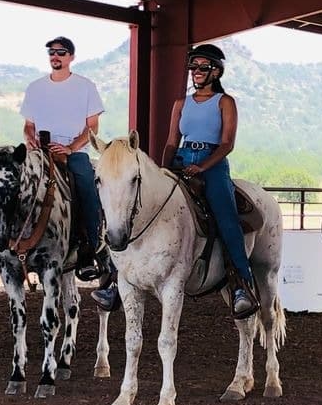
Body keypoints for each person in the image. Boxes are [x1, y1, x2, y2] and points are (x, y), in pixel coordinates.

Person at [91, 44, 258, 318]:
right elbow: (171, 141)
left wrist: (202, 166)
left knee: (227, 218)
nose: (196, 72)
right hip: (180, 160)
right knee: (136, 208)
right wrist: (163, 170)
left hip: (212, 164)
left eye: (202, 67)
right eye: (193, 67)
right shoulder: (181, 104)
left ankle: (241, 284)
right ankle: (113, 279)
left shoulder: (225, 103)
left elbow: (227, 143)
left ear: (216, 71)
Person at [20, 36, 107, 281]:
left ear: (71, 57)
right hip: (40, 149)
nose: (55, 56)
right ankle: (1, 244)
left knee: (87, 185)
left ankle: (90, 248)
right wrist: (30, 139)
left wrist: (70, 148)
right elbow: (28, 125)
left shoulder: (85, 86)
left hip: (73, 151)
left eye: (61, 52)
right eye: (51, 52)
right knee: (9, 181)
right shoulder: (35, 87)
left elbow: (92, 127)